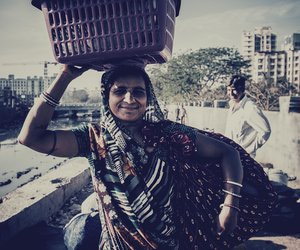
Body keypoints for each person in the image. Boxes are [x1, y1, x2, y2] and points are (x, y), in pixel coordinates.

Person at [18, 64, 277, 249]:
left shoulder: (168, 134)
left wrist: (230, 207)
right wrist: (64, 76)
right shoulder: (93, 140)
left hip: (171, 242)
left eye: (138, 91)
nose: (129, 99)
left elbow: (228, 153)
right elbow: (31, 138)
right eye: (120, 91)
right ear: (106, 96)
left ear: (148, 97)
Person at [225, 75, 271, 158]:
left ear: (242, 89)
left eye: (234, 90)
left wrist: (249, 150)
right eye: (228, 90)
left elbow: (265, 131)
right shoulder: (232, 105)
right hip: (230, 155)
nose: (231, 93)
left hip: (243, 157)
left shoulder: (250, 108)